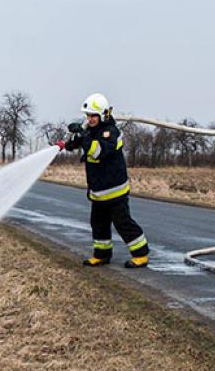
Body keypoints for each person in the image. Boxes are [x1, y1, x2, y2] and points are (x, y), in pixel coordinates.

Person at [56, 93, 149, 268]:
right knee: (98, 224)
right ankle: (102, 255)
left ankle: (141, 254)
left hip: (115, 190)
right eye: (88, 116)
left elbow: (98, 150)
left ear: (103, 114)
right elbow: (82, 142)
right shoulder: (92, 131)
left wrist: (83, 135)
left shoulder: (111, 133)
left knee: (123, 223)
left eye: (93, 116)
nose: (89, 119)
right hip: (99, 192)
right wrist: (69, 142)